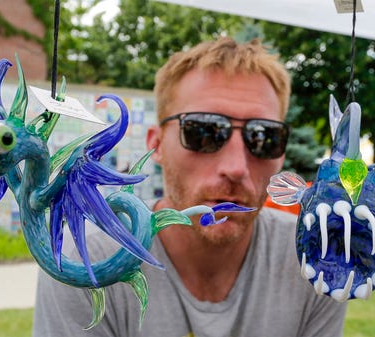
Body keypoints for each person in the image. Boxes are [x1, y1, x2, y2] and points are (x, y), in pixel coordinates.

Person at [32, 37, 347, 337]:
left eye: (263, 137)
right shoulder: (83, 265)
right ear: (156, 145)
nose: (236, 167)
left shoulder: (312, 256)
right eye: (204, 132)